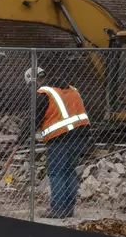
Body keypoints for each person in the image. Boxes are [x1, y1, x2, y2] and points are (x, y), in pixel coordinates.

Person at [21, 66, 91, 219]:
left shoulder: (44, 93)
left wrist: (20, 139)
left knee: (57, 172)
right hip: (81, 136)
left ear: (34, 81)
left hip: (61, 138)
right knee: (69, 171)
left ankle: (58, 209)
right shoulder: (71, 89)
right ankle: (68, 208)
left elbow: (33, 119)